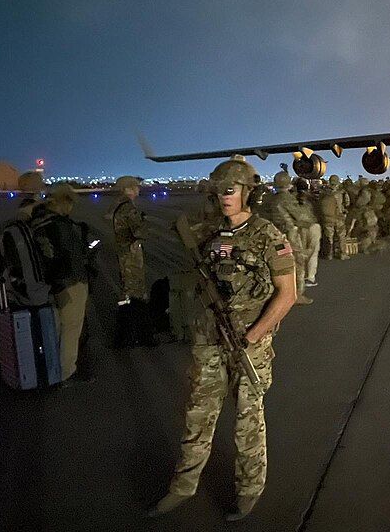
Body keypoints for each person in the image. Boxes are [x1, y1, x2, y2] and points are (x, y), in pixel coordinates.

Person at [147, 156, 296, 521]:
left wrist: (253, 334)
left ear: (248, 193)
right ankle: (183, 486)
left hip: (248, 343)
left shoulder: (268, 236)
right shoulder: (209, 233)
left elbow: (288, 293)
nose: (223, 198)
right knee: (198, 415)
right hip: (209, 340)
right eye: (218, 192)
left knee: (248, 420)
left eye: (229, 191)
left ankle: (248, 490)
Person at [30, 184, 92, 384]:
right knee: (71, 330)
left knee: (57, 329)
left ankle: (53, 370)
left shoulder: (38, 222)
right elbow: (71, 257)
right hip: (70, 283)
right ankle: (67, 373)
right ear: (63, 201)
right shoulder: (61, 226)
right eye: (70, 202)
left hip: (52, 285)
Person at [259, 171, 313, 304]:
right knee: (298, 263)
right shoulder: (287, 199)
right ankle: (296, 295)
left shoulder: (269, 199)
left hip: (272, 235)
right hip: (289, 235)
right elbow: (302, 217)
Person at [112, 176, 148, 304]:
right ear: (128, 189)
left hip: (123, 249)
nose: (138, 189)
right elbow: (138, 231)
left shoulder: (119, 205)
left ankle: (128, 308)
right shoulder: (128, 208)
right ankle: (133, 311)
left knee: (127, 281)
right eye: (136, 187)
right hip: (130, 250)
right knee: (134, 284)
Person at [294, 178, 321, 287]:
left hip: (300, 227)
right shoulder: (313, 198)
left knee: (301, 251)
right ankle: (310, 277)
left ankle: (300, 276)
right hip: (313, 225)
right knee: (313, 251)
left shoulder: (292, 198)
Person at [318, 175, 349, 259]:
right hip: (339, 217)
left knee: (328, 236)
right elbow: (347, 203)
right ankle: (342, 254)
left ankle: (329, 254)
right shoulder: (342, 192)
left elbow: (319, 204)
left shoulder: (323, 193)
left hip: (327, 217)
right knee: (341, 235)